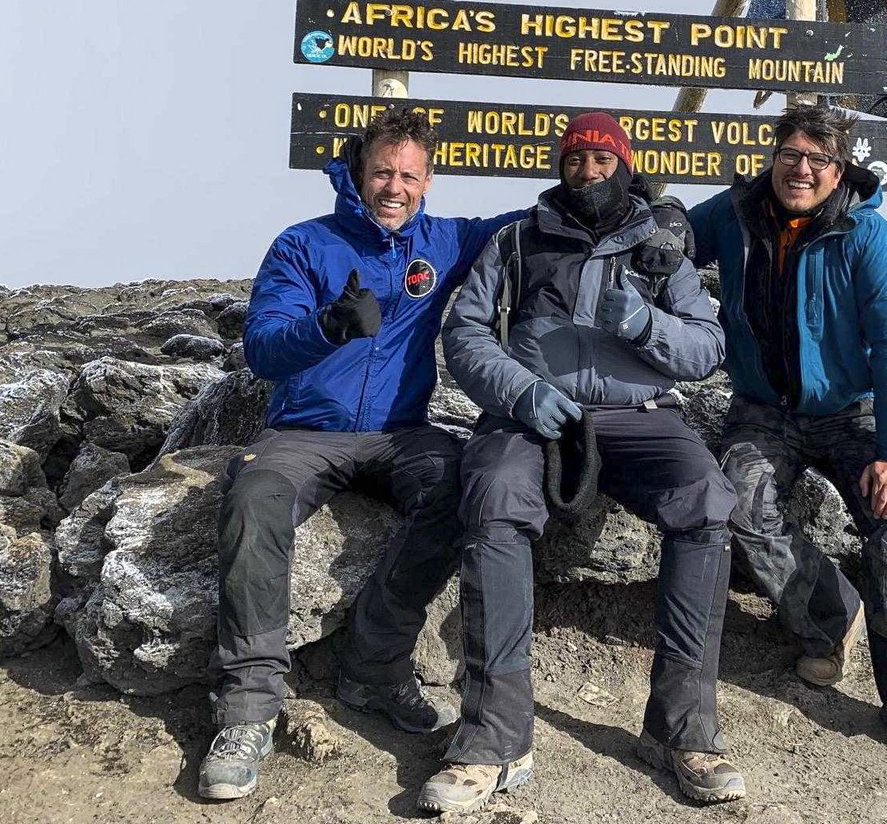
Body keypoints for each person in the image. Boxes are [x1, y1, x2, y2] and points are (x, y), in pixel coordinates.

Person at [418, 112, 744, 814]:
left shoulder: (663, 250)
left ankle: (681, 731)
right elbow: (466, 329)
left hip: (641, 416)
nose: (588, 171)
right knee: (496, 497)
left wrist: (644, 324)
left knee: (708, 499)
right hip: (530, 412)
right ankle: (494, 740)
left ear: (623, 165)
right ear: (560, 166)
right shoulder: (516, 240)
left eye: (602, 159)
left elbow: (707, 347)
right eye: (576, 159)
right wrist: (520, 390)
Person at [198, 106, 523, 801]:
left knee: (460, 486)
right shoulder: (302, 245)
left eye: (409, 175)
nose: (395, 187)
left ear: (427, 181)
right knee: (254, 497)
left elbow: (524, 227)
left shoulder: (442, 241)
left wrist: (611, 202)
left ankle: (373, 667)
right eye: (383, 172)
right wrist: (328, 325)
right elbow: (262, 349)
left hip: (401, 433)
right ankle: (249, 709)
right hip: (304, 433)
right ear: (358, 171)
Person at [689, 104, 887, 766]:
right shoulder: (734, 213)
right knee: (737, 499)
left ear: (840, 170)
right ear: (773, 158)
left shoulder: (866, 235)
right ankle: (829, 618)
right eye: (792, 155)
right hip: (764, 407)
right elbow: (667, 234)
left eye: (819, 160)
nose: (802, 170)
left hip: (852, 407)